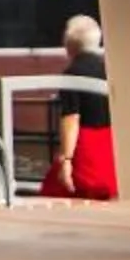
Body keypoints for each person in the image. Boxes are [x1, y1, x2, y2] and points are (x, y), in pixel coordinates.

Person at [41, 13, 117, 200]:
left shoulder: (72, 73)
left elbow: (71, 118)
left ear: (69, 44)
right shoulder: (109, 69)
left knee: (54, 192)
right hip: (109, 144)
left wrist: (66, 159)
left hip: (85, 148)